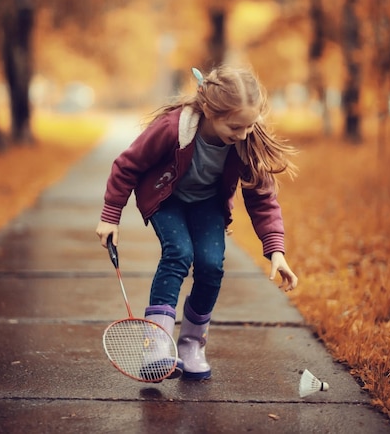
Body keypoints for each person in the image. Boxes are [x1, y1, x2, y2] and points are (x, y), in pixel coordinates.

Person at [96, 64, 298, 381]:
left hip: (207, 203)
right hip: (167, 199)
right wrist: (111, 216)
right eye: (234, 127)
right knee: (178, 253)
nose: (242, 134)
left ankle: (191, 345)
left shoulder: (246, 139)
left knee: (211, 266)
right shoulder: (172, 128)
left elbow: (262, 196)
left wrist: (276, 250)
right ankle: (157, 345)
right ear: (208, 110)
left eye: (249, 126)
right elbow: (127, 166)